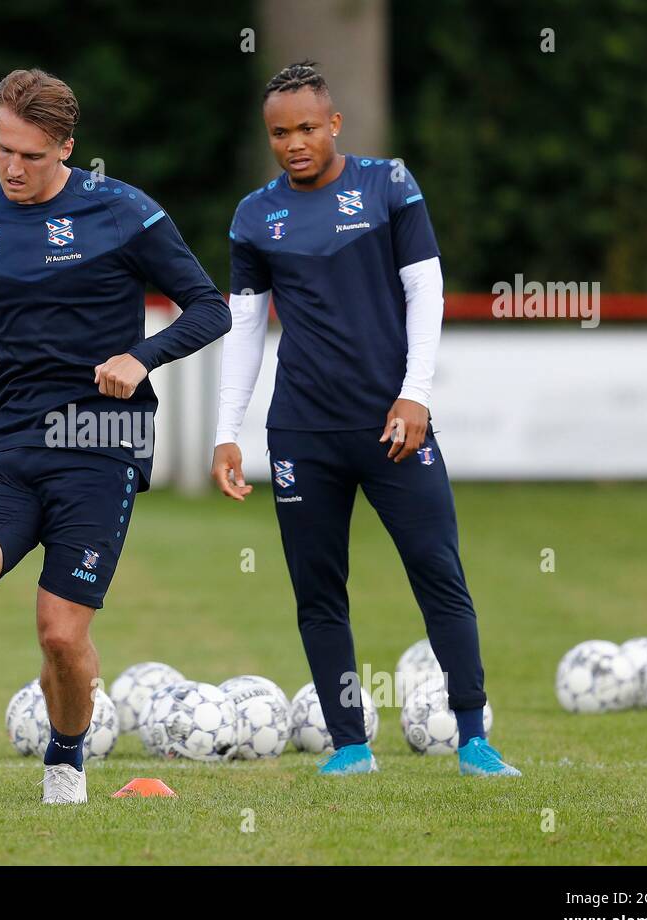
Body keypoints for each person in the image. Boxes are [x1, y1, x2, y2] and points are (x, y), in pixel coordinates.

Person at [0, 68, 231, 803]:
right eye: (1, 148)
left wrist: (143, 355)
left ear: (66, 147)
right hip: (12, 446)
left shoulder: (124, 212)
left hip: (102, 441)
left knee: (61, 635)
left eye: (31, 155)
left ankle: (65, 762)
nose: (12, 167)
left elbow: (208, 307)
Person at [211, 61, 519, 777]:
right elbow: (247, 328)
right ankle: (350, 745)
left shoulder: (389, 186)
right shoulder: (256, 216)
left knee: (437, 573)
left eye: (308, 128)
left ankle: (473, 736)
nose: (294, 142)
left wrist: (416, 394)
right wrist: (228, 431)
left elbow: (427, 294)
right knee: (318, 591)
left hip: (393, 427)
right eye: (280, 133)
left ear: (335, 124)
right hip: (301, 434)